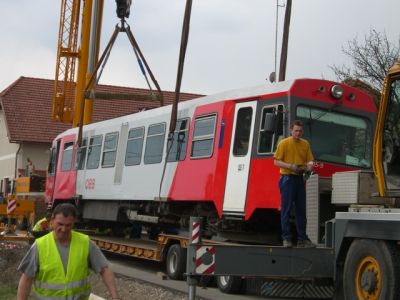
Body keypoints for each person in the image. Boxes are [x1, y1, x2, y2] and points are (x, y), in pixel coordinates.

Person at [17, 203, 121, 300]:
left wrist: (115, 297)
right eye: (60, 224)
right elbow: (26, 279)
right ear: (52, 221)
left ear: (73, 223)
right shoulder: (40, 245)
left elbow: (104, 270)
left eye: (68, 225)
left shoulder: (85, 242)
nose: (64, 229)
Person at [273, 120, 316, 248]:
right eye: (296, 130)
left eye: (300, 131)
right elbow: (276, 162)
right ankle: (286, 239)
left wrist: (309, 167)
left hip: (299, 179)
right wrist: (291, 166)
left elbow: (310, 160)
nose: (298, 133)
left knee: (301, 211)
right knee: (286, 210)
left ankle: (302, 239)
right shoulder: (284, 143)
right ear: (291, 130)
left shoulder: (305, 144)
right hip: (287, 178)